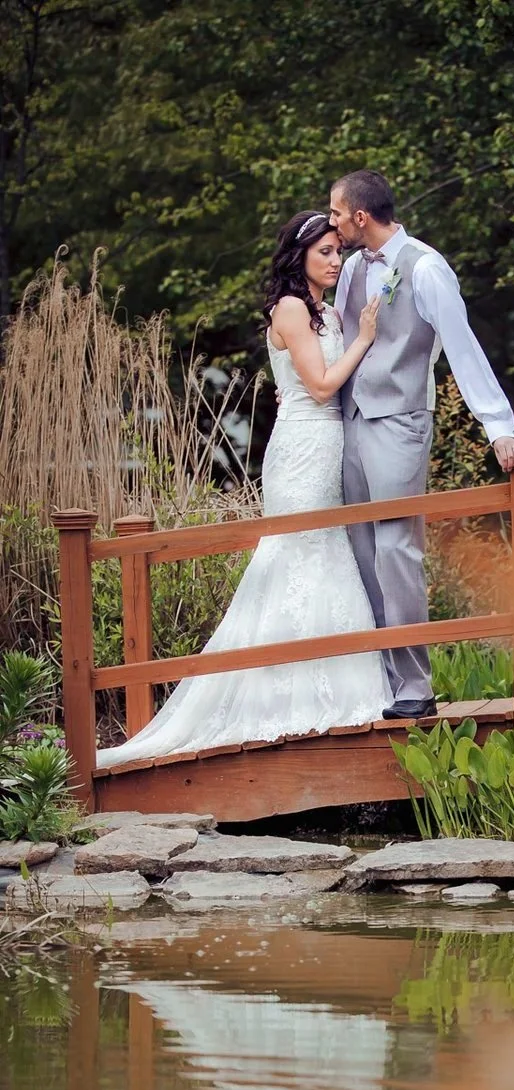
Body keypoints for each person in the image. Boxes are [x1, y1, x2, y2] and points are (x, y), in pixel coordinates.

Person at [97, 210, 390, 770]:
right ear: (298, 256)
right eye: (324, 252)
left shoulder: (322, 310)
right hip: (305, 446)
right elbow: (323, 387)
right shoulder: (290, 308)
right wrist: (368, 338)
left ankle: (342, 696)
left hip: (325, 444)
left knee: (328, 555)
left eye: (338, 252)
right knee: (296, 556)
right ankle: (280, 698)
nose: (335, 261)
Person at [329, 169, 514, 720]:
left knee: (396, 550)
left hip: (399, 423)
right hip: (349, 421)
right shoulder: (348, 270)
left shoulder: (426, 267)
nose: (333, 221)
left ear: (361, 216)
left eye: (338, 212)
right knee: (362, 553)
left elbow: (463, 348)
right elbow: (341, 341)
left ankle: (414, 686)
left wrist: (499, 427)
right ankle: (380, 681)